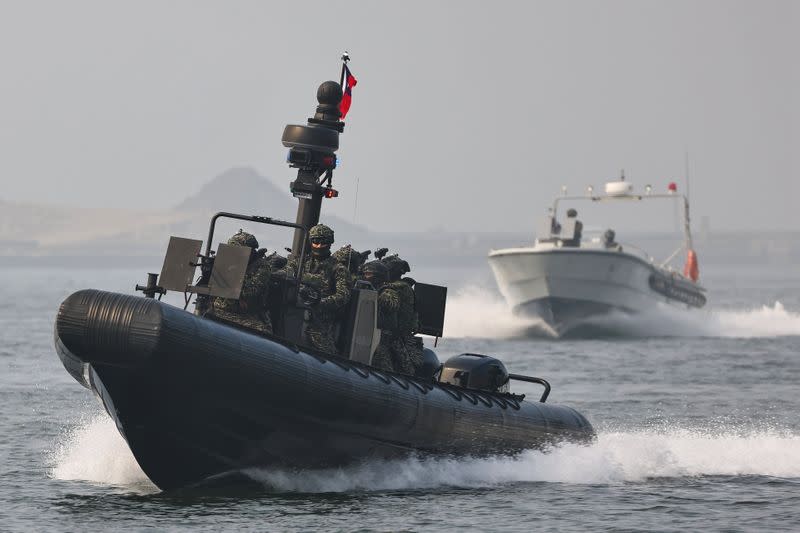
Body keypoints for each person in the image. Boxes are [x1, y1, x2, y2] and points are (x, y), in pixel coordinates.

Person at [285, 223, 351, 354]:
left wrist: (318, 302)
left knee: (325, 353)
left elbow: (343, 295)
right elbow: (285, 273)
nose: (319, 246)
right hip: (293, 314)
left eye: (323, 242)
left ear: (330, 243)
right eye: (315, 241)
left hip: (320, 324)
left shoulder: (338, 269)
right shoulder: (300, 262)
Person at [211, 230, 273, 334]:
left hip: (245, 315)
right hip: (219, 310)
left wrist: (233, 271)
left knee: (261, 333)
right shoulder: (227, 262)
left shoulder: (262, 267)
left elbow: (249, 292)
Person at [378, 254, 423, 375]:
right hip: (400, 335)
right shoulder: (405, 287)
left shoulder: (396, 289)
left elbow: (389, 305)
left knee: (401, 369)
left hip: (396, 336)